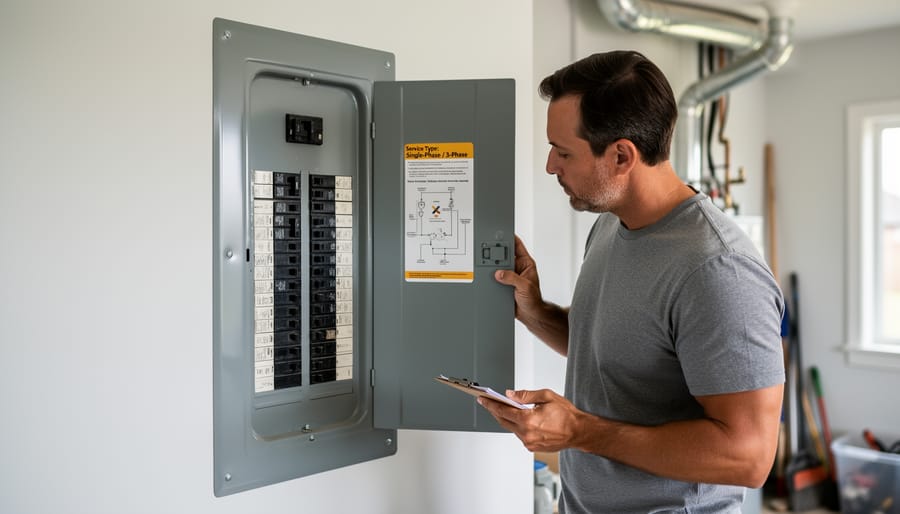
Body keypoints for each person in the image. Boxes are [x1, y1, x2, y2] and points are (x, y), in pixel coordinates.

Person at [477, 50, 785, 513]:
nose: (550, 166)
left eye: (563, 152)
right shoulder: (610, 226)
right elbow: (617, 355)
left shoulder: (719, 271)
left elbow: (748, 456)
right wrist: (536, 312)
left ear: (621, 155)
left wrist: (580, 431)